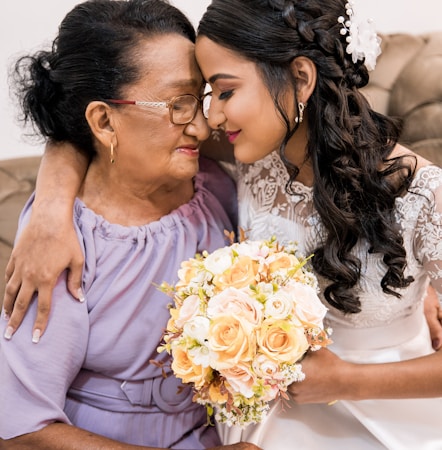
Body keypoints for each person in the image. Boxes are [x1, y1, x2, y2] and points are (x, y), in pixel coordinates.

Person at [2, 0, 442, 448]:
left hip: (382, 411)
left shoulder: (417, 192)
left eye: (219, 93)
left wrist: (408, 289)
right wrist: (50, 211)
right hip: (262, 421)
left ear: (302, 80)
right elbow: (88, 124)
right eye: (194, 99)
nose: (206, 121)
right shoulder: (248, 155)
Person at [0, 1, 259, 449]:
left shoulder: (215, 187)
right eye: (178, 104)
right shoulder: (63, 245)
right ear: (103, 120)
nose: (201, 126)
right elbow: (22, 430)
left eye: (198, 99)